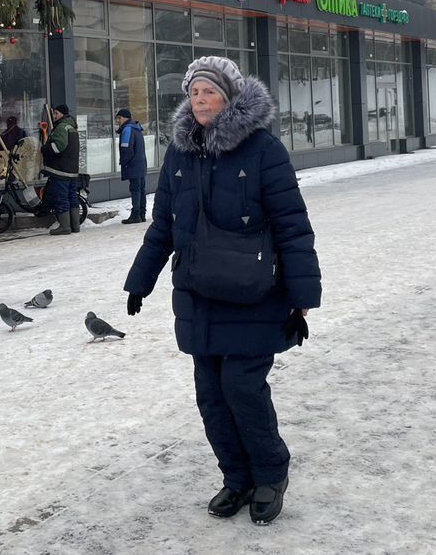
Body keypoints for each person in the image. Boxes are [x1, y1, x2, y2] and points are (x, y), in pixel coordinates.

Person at [124, 56, 321, 526]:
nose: (200, 101)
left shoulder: (262, 150)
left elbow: (293, 226)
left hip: (254, 293)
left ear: (229, 96)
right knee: (211, 394)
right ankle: (237, 478)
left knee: (242, 388)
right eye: (194, 93)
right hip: (198, 296)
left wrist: (301, 297)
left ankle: (270, 475)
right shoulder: (179, 154)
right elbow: (163, 228)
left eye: (208, 92)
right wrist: (139, 282)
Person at [41, 104, 80, 236]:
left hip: (60, 170)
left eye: (56, 113)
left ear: (62, 114)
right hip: (72, 170)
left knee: (61, 197)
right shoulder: (72, 127)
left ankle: (64, 226)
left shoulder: (61, 127)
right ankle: (75, 225)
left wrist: (44, 149)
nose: (54, 115)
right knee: (72, 197)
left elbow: (58, 147)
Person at [116, 108, 148, 224]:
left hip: (133, 164)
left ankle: (135, 215)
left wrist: (124, 162)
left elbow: (126, 149)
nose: (118, 121)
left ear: (125, 118)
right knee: (141, 190)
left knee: (135, 190)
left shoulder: (128, 129)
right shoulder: (136, 128)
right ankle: (141, 214)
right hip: (140, 164)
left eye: (119, 118)